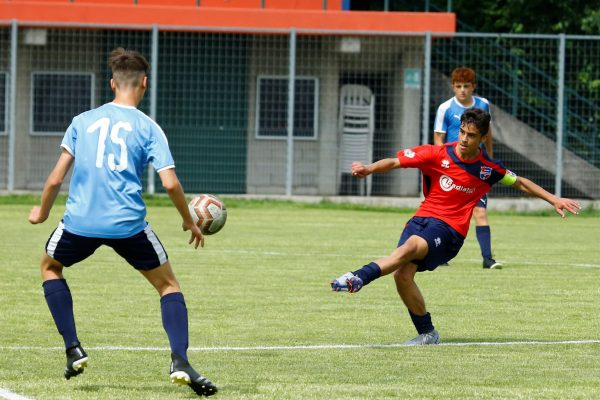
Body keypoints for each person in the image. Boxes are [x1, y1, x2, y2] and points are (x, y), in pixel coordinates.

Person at [28, 48, 217, 397]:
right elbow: (171, 183)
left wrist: (41, 212)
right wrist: (189, 221)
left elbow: (55, 179)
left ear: (113, 83)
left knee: (50, 266)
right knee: (168, 286)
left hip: (80, 222)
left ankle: (73, 348)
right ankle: (180, 361)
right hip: (128, 225)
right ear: (144, 83)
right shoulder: (148, 127)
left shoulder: (82, 121)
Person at [331, 108, 580, 345]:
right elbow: (396, 162)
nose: (464, 139)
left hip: (449, 231)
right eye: (462, 132)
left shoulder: (487, 169)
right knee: (402, 275)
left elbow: (521, 183)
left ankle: (358, 277)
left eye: (471, 135)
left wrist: (554, 199)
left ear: (483, 138)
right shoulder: (437, 154)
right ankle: (428, 334)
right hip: (420, 220)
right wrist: (368, 169)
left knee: (408, 249)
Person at [434, 67, 501, 269]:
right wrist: (442, 165)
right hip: (451, 169)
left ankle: (488, 259)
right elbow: (439, 138)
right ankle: (439, 255)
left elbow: (487, 134)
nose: (462, 90)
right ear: (453, 87)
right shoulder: (445, 108)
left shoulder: (483, 105)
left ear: (473, 87)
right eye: (458, 86)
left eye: (466, 86)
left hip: (475, 168)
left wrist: (489, 159)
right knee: (446, 213)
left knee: (480, 212)